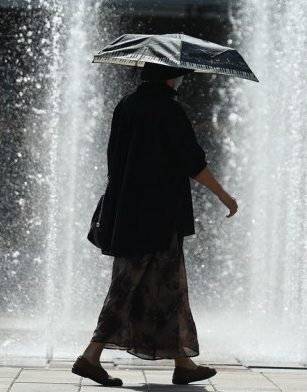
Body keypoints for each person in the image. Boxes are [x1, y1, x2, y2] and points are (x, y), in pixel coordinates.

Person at [72, 63, 238, 387]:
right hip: (158, 216)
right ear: (169, 77)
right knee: (126, 286)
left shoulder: (126, 106)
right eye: (179, 76)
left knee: (165, 288)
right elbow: (193, 161)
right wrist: (224, 196)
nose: (180, 82)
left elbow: (114, 158)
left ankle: (183, 364)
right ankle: (90, 357)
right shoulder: (167, 110)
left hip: (127, 213)